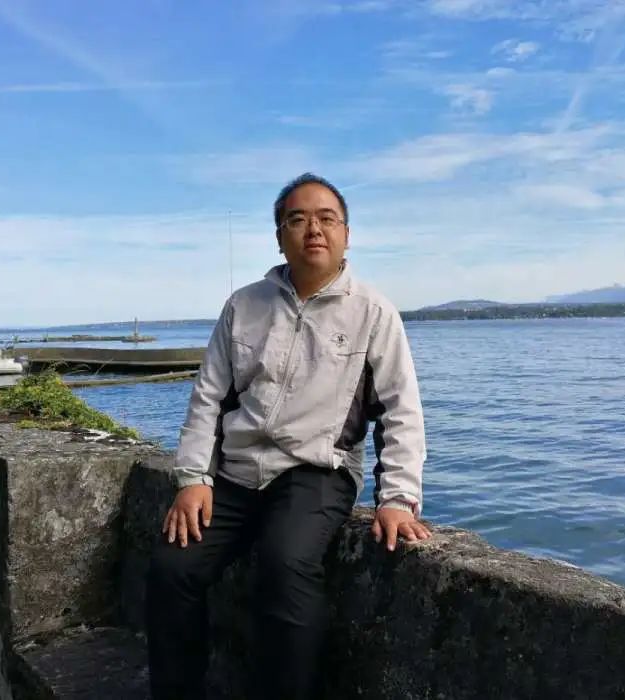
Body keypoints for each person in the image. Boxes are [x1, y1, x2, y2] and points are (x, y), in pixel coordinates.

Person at [146, 172, 430, 700]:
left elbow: (401, 411)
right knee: (172, 566)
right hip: (235, 473)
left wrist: (397, 499)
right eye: (297, 220)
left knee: (286, 564)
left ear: (346, 234)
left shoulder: (373, 313)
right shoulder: (243, 306)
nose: (313, 230)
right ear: (280, 237)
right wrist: (193, 479)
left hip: (317, 471)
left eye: (327, 219)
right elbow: (208, 397)